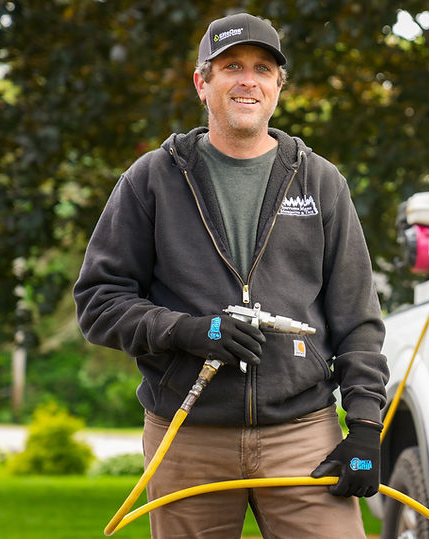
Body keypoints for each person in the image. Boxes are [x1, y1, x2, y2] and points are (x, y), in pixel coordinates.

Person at [74, 12, 388, 538]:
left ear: (278, 88)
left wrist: (365, 425)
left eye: (263, 69)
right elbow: (99, 303)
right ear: (203, 82)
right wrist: (188, 331)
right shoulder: (152, 179)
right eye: (231, 67)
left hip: (303, 431)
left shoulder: (320, 181)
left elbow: (357, 318)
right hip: (187, 434)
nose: (248, 80)